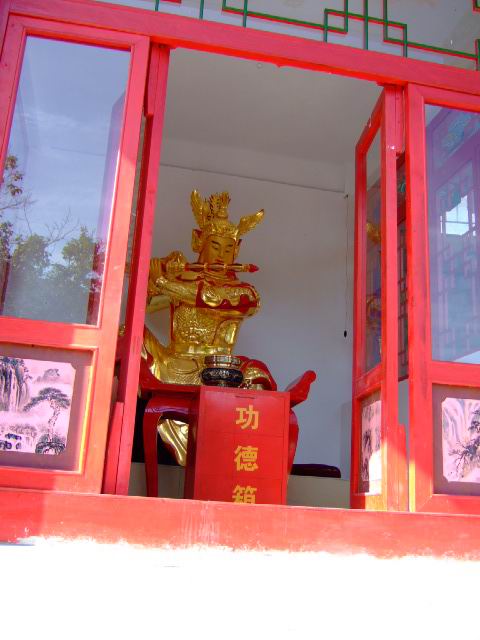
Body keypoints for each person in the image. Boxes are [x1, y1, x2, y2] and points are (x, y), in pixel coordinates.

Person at [142, 190, 275, 465]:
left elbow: (212, 298)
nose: (222, 256)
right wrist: (156, 275)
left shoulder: (243, 291)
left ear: (237, 250)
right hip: (172, 364)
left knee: (258, 376)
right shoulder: (182, 279)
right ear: (198, 241)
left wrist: (165, 282)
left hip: (218, 372)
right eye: (215, 246)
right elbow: (148, 306)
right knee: (125, 334)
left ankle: (248, 458)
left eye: (228, 248)